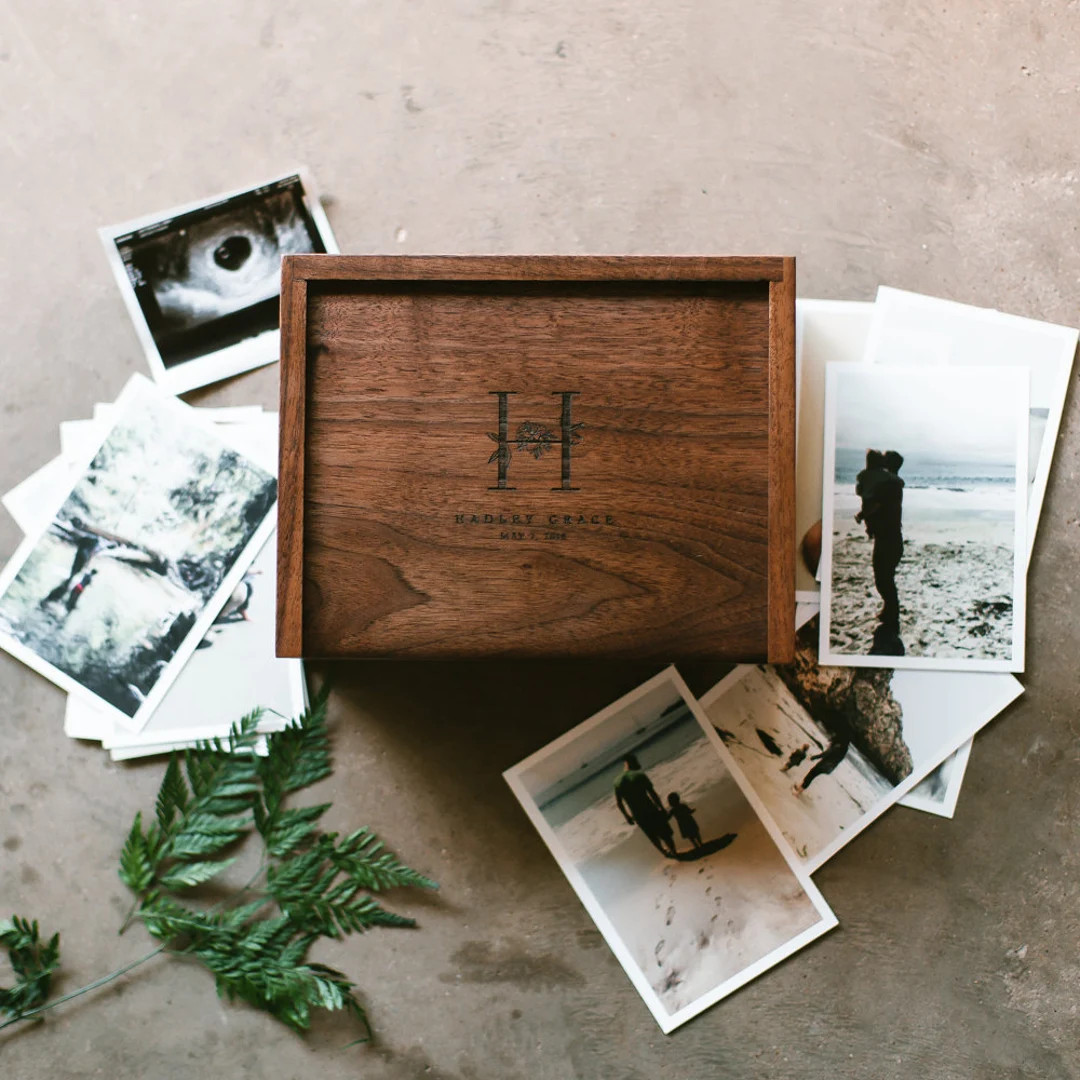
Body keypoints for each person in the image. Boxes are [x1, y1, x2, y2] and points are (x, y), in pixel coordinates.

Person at [614, 754, 677, 858]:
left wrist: (627, 816)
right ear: (632, 761)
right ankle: (674, 852)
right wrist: (661, 807)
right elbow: (652, 794)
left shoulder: (617, 781)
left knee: (652, 836)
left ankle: (664, 852)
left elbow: (619, 803)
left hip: (637, 814)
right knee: (664, 833)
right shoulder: (639, 775)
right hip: (650, 809)